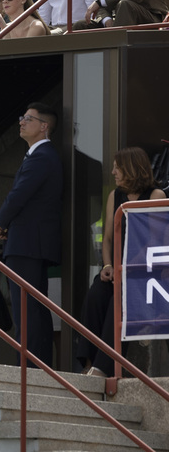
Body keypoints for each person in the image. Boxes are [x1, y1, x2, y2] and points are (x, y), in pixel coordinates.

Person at [76, 148, 166, 377]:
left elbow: (153, 241)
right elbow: (107, 238)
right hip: (117, 269)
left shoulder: (156, 196)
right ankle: (88, 362)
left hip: (145, 272)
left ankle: (104, 368)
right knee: (96, 293)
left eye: (118, 167)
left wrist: (125, 268)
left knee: (120, 298)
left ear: (132, 168)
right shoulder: (114, 196)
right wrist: (107, 267)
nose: (114, 172)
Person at [0, 103, 62, 367]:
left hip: (27, 245)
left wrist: (0, 221)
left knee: (27, 311)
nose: (21, 122)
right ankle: (37, 366)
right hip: (30, 244)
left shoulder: (42, 155)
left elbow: (19, 195)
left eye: (28, 119)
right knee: (32, 309)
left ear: (44, 126)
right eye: (22, 117)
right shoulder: (40, 155)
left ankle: (30, 369)